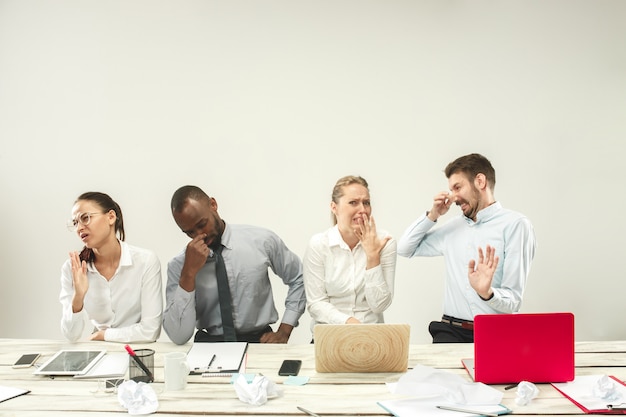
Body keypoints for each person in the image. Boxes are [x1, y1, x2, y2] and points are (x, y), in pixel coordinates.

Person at [397, 153, 536, 343]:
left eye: (457, 187)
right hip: (450, 331)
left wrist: (487, 293)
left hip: (496, 334)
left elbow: (513, 301)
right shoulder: (453, 227)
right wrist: (433, 214)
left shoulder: (516, 225)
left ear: (480, 181)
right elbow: (405, 248)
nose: (453, 197)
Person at [163, 185, 306, 345]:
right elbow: (178, 336)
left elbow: (299, 278)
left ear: (213, 204)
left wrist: (284, 331)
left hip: (259, 342)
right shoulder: (180, 265)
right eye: (189, 233)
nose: (199, 235)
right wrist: (188, 274)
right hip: (209, 346)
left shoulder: (261, 241)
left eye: (202, 224)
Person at [60, 192, 163, 343]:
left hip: (137, 352)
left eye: (85, 218)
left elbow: (150, 330)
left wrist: (103, 335)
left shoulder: (146, 261)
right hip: (98, 352)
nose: (79, 228)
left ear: (111, 217)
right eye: (75, 223)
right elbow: (71, 335)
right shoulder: (73, 268)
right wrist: (78, 297)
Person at [303, 175, 396, 333]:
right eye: (353, 203)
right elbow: (316, 304)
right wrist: (349, 322)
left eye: (366, 203)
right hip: (330, 336)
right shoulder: (319, 244)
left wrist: (372, 257)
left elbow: (379, 305)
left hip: (371, 336)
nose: (362, 210)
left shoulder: (385, 242)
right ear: (334, 207)